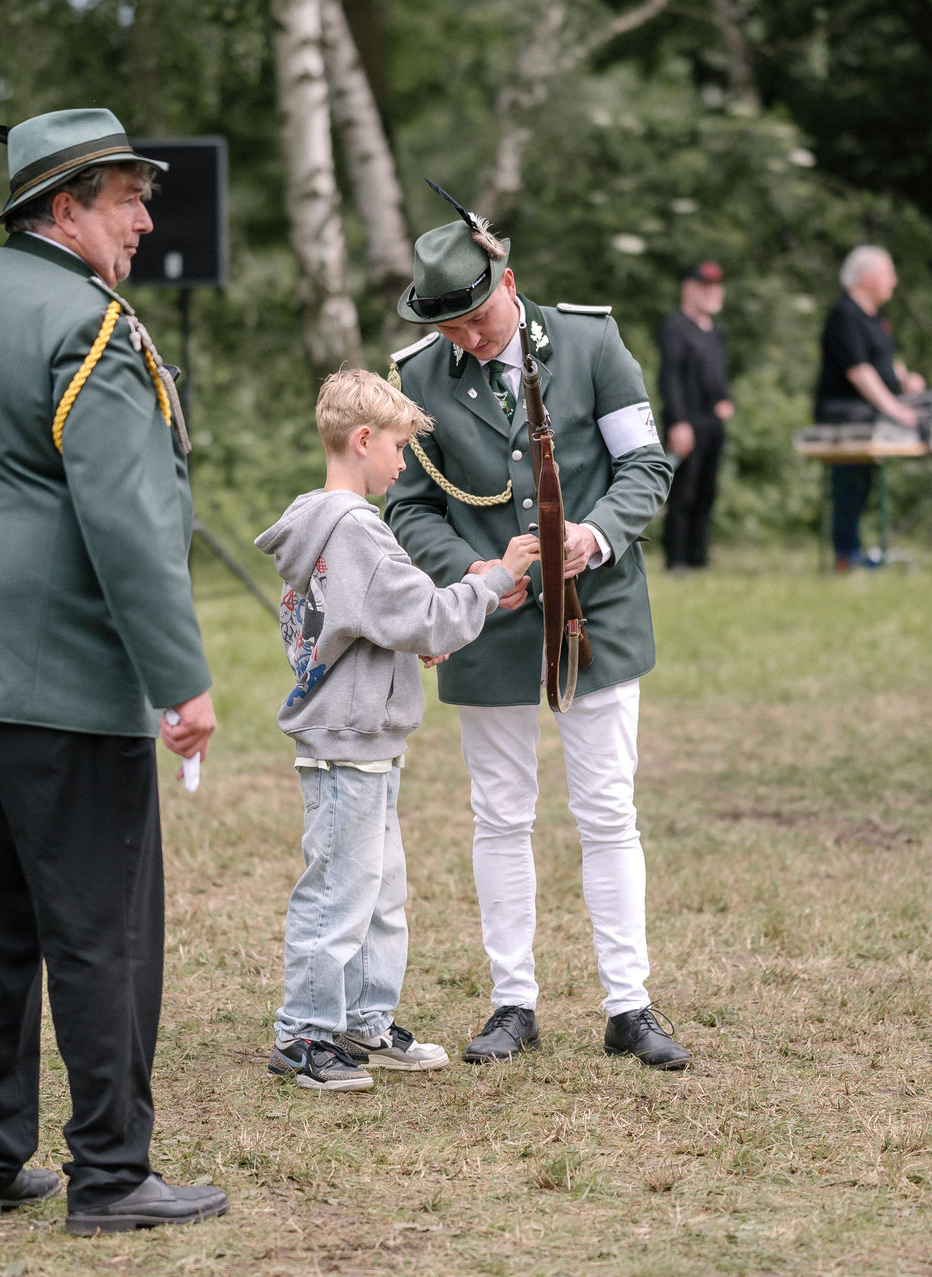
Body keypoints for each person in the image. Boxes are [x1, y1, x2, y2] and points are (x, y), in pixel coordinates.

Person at [0, 108, 228, 1232]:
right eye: (127, 199)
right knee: (102, 925)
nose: (145, 222)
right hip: (60, 667)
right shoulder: (90, 324)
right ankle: (113, 1172)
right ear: (64, 208)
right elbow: (127, 519)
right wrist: (179, 675)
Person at [384, 185, 691, 1070]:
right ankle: (512, 1002)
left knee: (608, 810)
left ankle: (628, 1004)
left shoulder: (592, 343)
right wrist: (473, 574)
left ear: (507, 284)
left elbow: (646, 464)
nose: (468, 341)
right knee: (499, 814)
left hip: (598, 610)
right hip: (491, 619)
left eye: (477, 321)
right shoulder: (419, 377)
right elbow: (410, 506)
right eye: (449, 329)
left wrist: (596, 535)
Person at [255, 370, 540, 1091]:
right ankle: (304, 1034)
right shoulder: (356, 529)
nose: (403, 465)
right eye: (399, 449)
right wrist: (495, 578)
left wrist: (410, 641)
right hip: (348, 742)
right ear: (363, 440)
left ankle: (364, 1019)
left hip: (365, 739)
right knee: (339, 891)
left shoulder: (322, 523)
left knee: (378, 892)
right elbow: (428, 615)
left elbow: (370, 620)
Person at [815, 245, 926, 571]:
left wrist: (905, 379)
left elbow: (883, 362)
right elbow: (859, 371)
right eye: (888, 273)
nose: (894, 281)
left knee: (861, 486)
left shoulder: (875, 318)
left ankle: (857, 551)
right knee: (848, 486)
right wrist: (895, 409)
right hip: (845, 415)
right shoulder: (844, 315)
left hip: (869, 414)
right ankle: (846, 556)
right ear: (865, 278)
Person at [655, 261, 734, 570]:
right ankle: (677, 558)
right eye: (705, 287)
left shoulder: (716, 331)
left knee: (707, 491)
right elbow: (670, 378)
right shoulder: (675, 327)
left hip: (712, 423)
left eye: (716, 287)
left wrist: (724, 399)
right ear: (688, 289)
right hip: (687, 422)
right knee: (683, 491)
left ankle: (699, 557)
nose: (713, 293)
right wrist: (678, 422)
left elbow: (716, 376)